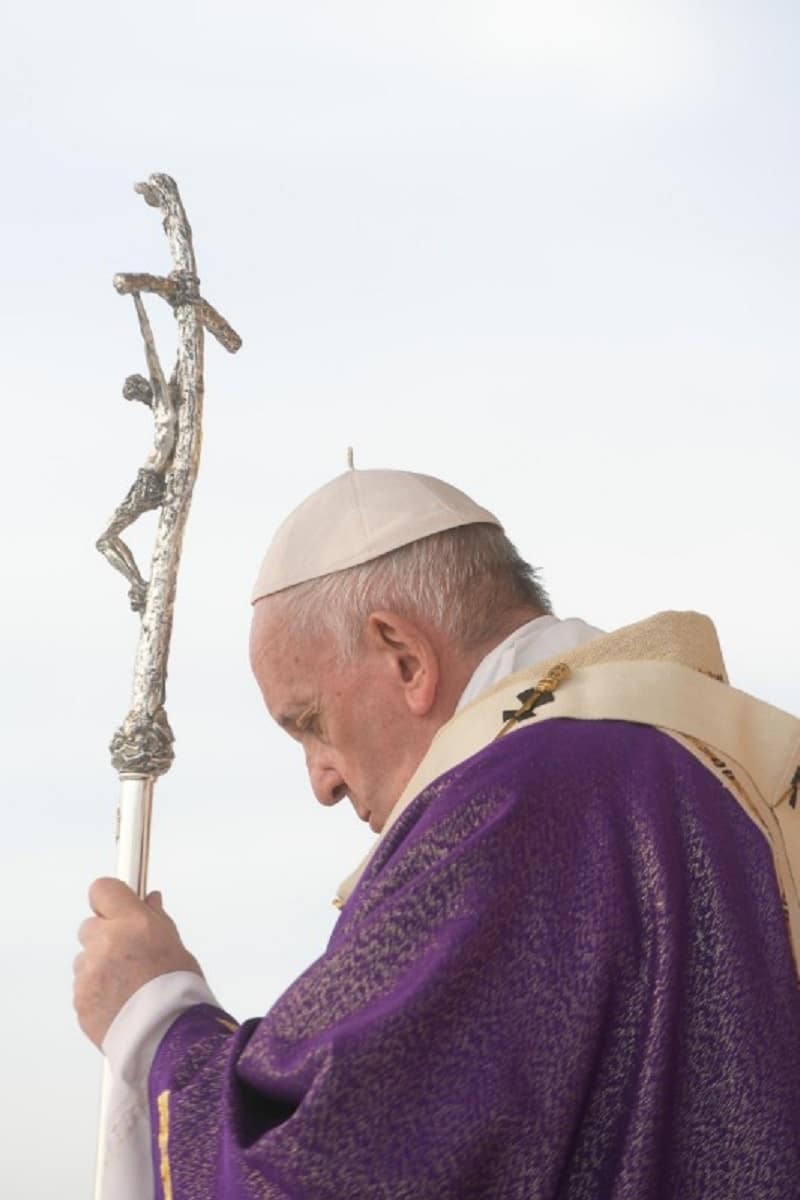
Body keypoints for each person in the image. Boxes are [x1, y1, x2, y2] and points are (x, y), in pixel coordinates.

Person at [75, 466, 800, 1200]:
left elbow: (330, 1167)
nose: (321, 782)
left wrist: (154, 1019)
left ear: (404, 656)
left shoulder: (517, 806)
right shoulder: (717, 778)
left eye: (310, 725)